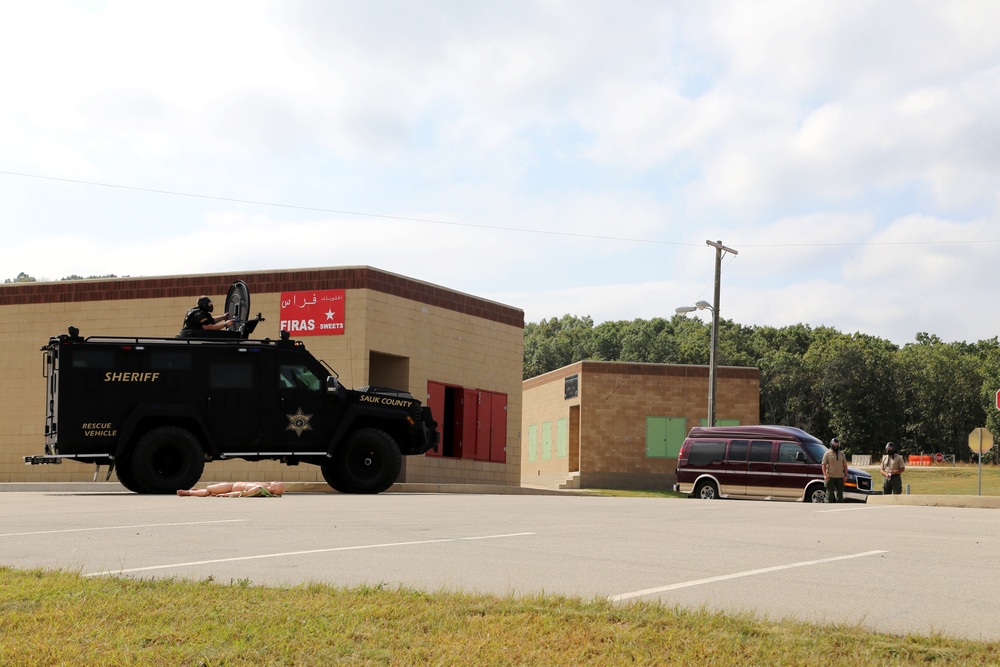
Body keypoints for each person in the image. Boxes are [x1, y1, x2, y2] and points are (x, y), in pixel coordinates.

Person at [176, 481, 285, 497]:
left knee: (209, 490)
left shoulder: (260, 489)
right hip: (232, 486)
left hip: (231, 488)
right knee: (210, 491)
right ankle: (194, 492)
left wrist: (225, 494)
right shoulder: (264, 487)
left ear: (274, 490)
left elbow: (242, 493)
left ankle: (188, 492)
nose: (274, 481)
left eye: (276, 484)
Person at [821, 437, 848, 503]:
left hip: (840, 477)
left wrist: (846, 475)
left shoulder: (841, 454)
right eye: (835, 445)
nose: (836, 446)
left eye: (837, 445)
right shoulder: (827, 454)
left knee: (840, 495)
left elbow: (845, 465)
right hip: (830, 477)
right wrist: (825, 475)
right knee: (829, 495)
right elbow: (823, 465)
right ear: (831, 445)